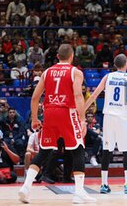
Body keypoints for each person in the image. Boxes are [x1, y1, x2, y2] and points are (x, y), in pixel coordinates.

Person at [18, 44, 96, 204]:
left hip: (49, 112)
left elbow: (34, 97)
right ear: (72, 56)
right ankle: (79, 193)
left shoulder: (47, 72)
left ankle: (25, 187)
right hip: (67, 111)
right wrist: (82, 119)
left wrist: (34, 118)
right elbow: (78, 95)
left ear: (57, 56)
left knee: (44, 151)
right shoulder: (75, 72)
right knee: (78, 149)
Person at [84, 54, 127, 194]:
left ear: (114, 64)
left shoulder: (107, 77)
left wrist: (82, 111)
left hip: (108, 117)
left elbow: (93, 95)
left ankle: (104, 184)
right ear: (126, 64)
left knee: (107, 150)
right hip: (122, 118)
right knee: (126, 151)